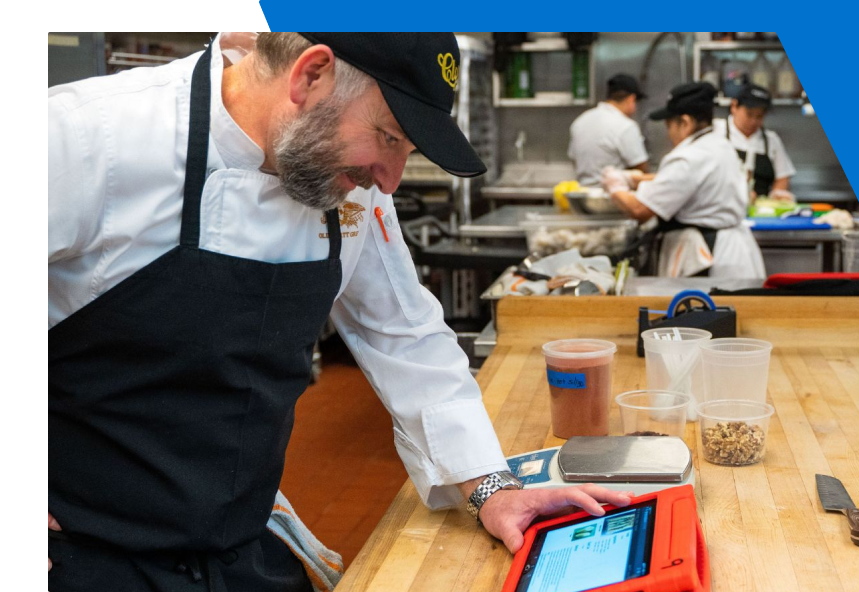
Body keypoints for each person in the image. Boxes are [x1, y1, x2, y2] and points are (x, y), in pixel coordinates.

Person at [47, 32, 629, 590]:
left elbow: (403, 331)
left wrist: (492, 487)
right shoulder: (80, 136)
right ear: (311, 74)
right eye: (389, 137)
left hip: (237, 545)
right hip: (83, 553)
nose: (390, 178)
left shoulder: (348, 186)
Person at [603, 82, 765, 280]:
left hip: (712, 259)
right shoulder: (718, 144)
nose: (669, 133)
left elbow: (640, 210)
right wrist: (636, 179)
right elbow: (692, 182)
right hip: (734, 251)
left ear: (685, 122)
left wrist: (615, 186)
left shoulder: (690, 157)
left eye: (669, 126)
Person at [713, 82, 796, 199]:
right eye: (749, 114)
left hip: (760, 212)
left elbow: (782, 177)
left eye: (759, 116)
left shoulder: (771, 140)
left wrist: (776, 198)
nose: (753, 121)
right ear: (734, 106)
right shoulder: (715, 131)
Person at [567, 74, 650, 187]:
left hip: (583, 195)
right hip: (614, 197)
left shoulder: (581, 120)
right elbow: (641, 169)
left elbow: (574, 160)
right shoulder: (626, 126)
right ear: (631, 99)